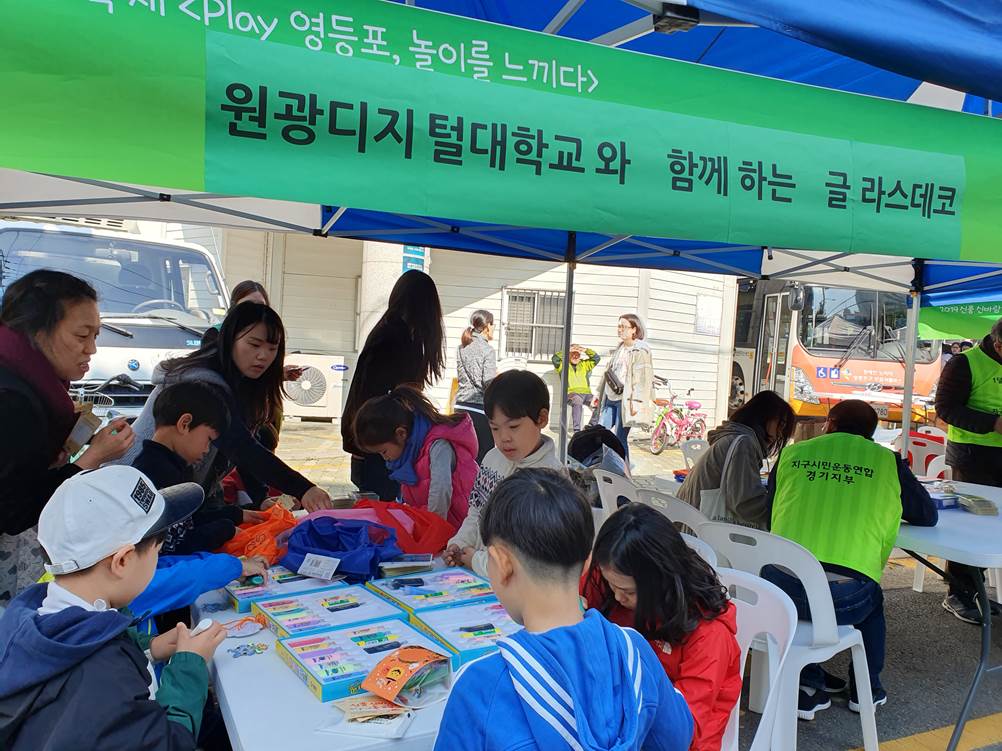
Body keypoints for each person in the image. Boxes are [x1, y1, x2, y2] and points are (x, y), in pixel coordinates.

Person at [435, 470, 694, 751]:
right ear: (587, 562)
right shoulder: (634, 651)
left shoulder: (481, 686)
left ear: (501, 562)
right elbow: (676, 738)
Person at [0, 466, 227, 749]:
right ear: (122, 561)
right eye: (158, 550)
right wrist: (188, 668)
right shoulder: (104, 679)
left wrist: (149, 647)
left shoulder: (28, 618)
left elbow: (83, 642)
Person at [764, 400, 937, 719]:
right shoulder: (887, 461)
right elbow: (925, 515)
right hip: (845, 598)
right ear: (871, 433)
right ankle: (865, 689)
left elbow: (771, 505)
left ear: (829, 423)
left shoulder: (792, 453)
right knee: (872, 609)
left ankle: (807, 685)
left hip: (779, 590)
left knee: (807, 605)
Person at [0, 270, 135, 605]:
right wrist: (93, 458)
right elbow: (14, 511)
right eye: (81, 335)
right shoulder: (12, 398)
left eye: (95, 335)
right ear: (36, 331)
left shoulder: (31, 382)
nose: (91, 349)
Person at [118, 301, 331, 512]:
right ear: (230, 340)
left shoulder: (239, 382)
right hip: (131, 497)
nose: (263, 356)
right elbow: (240, 446)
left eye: (272, 348)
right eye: (254, 345)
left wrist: (259, 498)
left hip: (170, 499)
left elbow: (243, 444)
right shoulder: (204, 386)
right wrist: (303, 489)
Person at [582, 504, 741, 751]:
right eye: (610, 584)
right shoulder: (611, 582)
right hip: (616, 717)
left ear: (662, 580)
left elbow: (680, 732)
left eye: (629, 592)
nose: (617, 597)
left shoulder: (709, 635)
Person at [443, 370, 563, 577]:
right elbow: (476, 513)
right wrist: (459, 544)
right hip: (479, 577)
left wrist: (475, 560)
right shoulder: (492, 458)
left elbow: (529, 557)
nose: (504, 438)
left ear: (542, 418)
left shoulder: (550, 477)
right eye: (495, 428)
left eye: (513, 427)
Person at [342, 271, 446, 500]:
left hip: (369, 442)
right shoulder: (396, 337)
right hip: (377, 443)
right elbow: (377, 395)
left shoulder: (389, 331)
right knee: (382, 515)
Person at [132, 382, 266, 554]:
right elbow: (171, 546)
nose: (207, 449)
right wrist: (224, 530)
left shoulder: (171, 465)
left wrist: (235, 515)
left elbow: (189, 520)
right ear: (185, 424)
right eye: (209, 439)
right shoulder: (156, 473)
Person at [935, 319, 1002, 624]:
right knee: (973, 525)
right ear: (998, 344)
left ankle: (977, 588)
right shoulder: (965, 363)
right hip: (974, 456)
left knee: (996, 526)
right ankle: (957, 593)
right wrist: (994, 424)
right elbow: (946, 409)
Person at [352, 386, 479, 528]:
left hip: (464, 530)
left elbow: (440, 493)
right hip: (446, 527)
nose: (385, 459)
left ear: (401, 434)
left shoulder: (438, 446)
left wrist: (432, 531)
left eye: (383, 452)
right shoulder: (410, 453)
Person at [677, 390, 795, 529]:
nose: (780, 434)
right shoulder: (743, 444)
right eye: (780, 425)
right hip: (699, 531)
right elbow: (745, 504)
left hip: (690, 520)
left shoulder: (733, 437)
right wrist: (782, 508)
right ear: (764, 418)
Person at [596, 314, 654, 460]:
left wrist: (637, 402)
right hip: (610, 397)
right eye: (619, 326)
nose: (620, 330)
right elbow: (608, 373)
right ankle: (605, 465)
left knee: (620, 438)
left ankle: (624, 471)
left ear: (634, 329)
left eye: (624, 326)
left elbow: (643, 380)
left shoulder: (641, 350)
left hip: (626, 400)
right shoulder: (619, 348)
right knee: (601, 432)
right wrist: (598, 393)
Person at [454, 309, 497, 462]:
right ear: (487, 326)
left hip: (460, 408)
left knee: (462, 459)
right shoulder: (488, 350)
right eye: (494, 326)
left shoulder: (461, 347)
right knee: (483, 459)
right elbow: (488, 383)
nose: (494, 330)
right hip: (479, 410)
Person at [553, 344, 600, 433]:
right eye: (572, 354)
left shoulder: (585, 364)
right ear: (569, 354)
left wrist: (585, 350)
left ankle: (591, 425)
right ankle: (577, 430)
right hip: (571, 394)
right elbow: (555, 359)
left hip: (587, 394)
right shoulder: (562, 365)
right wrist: (566, 350)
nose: (575, 356)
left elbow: (596, 358)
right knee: (577, 400)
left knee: (599, 403)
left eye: (577, 354)